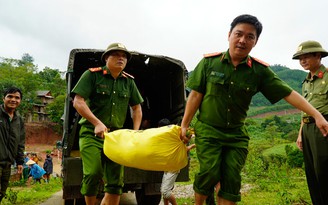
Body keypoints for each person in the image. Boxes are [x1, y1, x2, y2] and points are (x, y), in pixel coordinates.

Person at [179, 14, 328, 205]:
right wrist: (184, 124)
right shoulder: (209, 63)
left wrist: (316, 115)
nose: (243, 40)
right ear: (229, 35)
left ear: (255, 42)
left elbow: (288, 93)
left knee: (231, 179)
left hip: (236, 134)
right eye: (239, 34)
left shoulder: (258, 71)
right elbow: (195, 96)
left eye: (250, 37)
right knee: (209, 172)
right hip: (208, 130)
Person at [72, 42, 143, 205]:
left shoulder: (129, 82)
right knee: (93, 173)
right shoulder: (92, 75)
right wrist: (96, 122)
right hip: (91, 133)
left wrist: (135, 132)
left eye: (124, 56)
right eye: (116, 55)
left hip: (116, 137)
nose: (121, 58)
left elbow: (137, 108)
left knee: (116, 181)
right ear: (106, 58)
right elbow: (78, 101)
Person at [293, 40, 328, 205]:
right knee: (311, 171)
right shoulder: (306, 82)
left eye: (306, 56)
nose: (303, 60)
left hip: (322, 129)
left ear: (318, 55)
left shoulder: (327, 77)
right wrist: (300, 133)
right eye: (300, 58)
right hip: (307, 129)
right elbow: (305, 110)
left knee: (323, 171)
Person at [159, 118, 196, 205]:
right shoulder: (165, 139)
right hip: (168, 166)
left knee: (165, 191)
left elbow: (181, 149)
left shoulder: (174, 137)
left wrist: (193, 145)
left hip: (173, 167)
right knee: (164, 190)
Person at [0, 86, 25, 203]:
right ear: (3, 98)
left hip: (7, 164)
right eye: (10, 96)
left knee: (1, 192)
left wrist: (20, 161)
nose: (13, 100)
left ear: (20, 101)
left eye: (17, 97)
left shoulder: (19, 120)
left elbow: (20, 142)